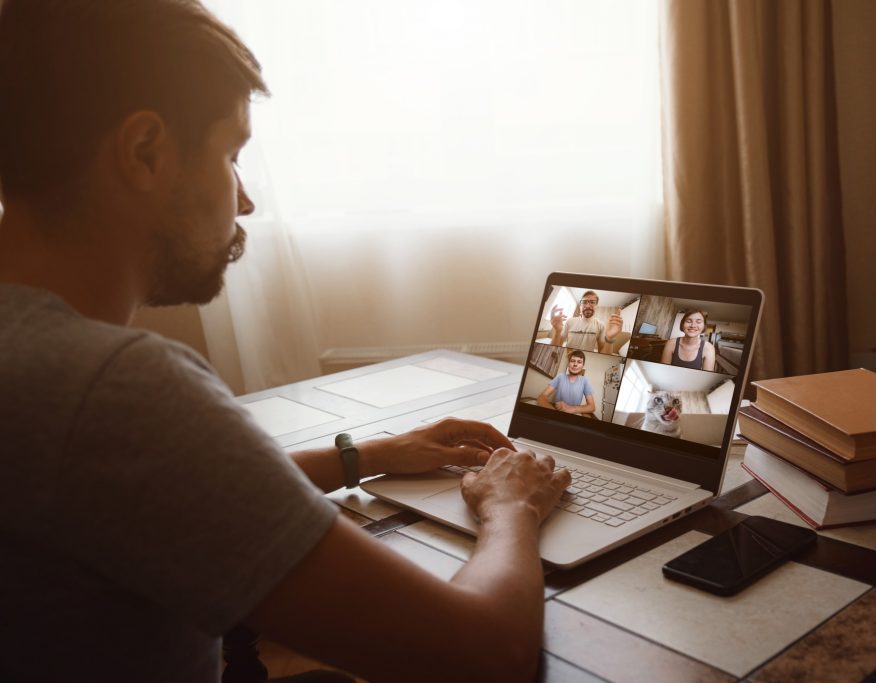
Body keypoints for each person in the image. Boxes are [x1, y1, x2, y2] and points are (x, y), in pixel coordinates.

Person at [0, 2, 570, 682]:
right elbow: (485, 654)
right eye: (231, 155)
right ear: (145, 152)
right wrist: (513, 507)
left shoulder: (42, 369)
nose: (243, 200)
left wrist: (370, 454)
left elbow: (154, 491)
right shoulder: (115, 387)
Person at [549, 290, 624, 353]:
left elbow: (602, 353)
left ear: (596, 305)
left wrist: (609, 338)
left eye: (592, 302)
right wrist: (557, 331)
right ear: (580, 305)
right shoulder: (570, 321)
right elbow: (555, 348)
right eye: (584, 302)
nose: (588, 306)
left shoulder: (600, 325)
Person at [535, 350, 596, 416]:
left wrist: (571, 409)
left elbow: (592, 406)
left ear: (583, 366)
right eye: (572, 361)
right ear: (568, 363)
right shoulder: (560, 376)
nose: (575, 364)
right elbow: (542, 396)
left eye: (579, 362)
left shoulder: (584, 381)